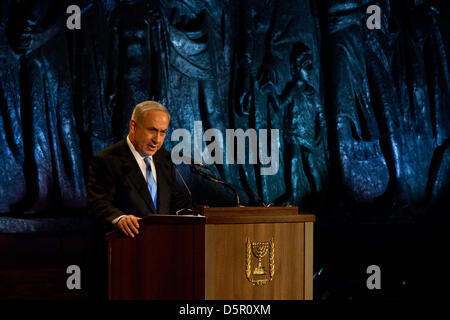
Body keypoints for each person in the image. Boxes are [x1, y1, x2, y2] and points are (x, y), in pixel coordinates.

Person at [87, 100, 191, 237]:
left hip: (163, 245)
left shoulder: (164, 159)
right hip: (126, 244)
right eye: (152, 130)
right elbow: (98, 202)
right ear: (133, 126)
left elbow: (177, 202)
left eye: (163, 132)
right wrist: (120, 218)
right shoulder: (107, 159)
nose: (157, 139)